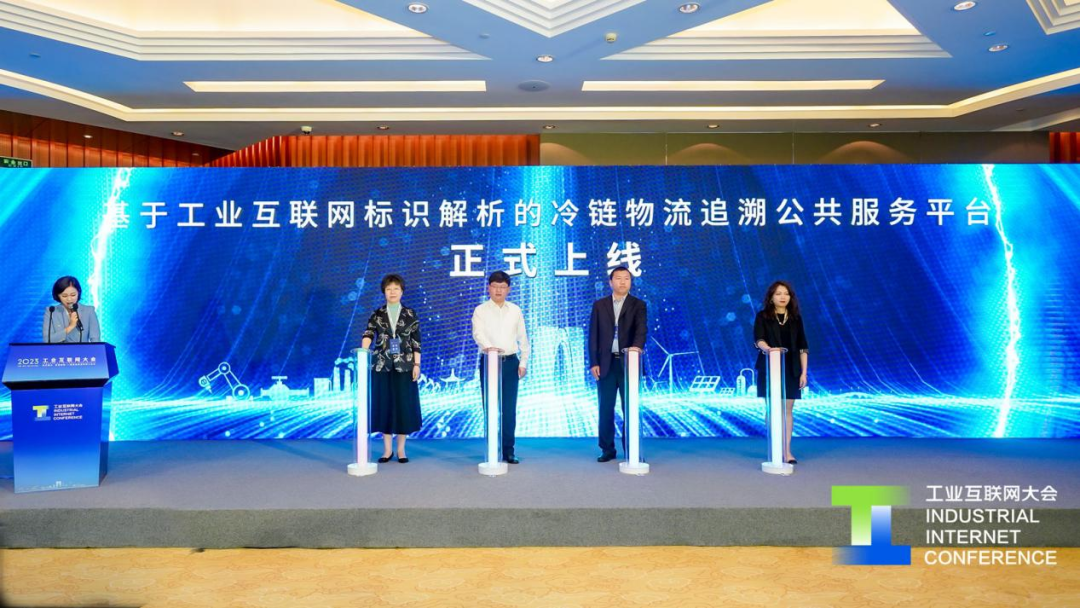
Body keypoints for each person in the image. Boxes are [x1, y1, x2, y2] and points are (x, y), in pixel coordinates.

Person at [361, 274, 422, 464]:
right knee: (384, 405)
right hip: (382, 365)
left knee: (404, 406)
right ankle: (387, 450)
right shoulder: (377, 314)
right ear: (384, 292)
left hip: (405, 365)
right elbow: (369, 333)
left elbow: (416, 342)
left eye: (396, 288)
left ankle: (401, 450)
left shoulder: (410, 314)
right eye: (389, 289)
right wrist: (363, 351)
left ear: (402, 291)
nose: (392, 292)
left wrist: (417, 364)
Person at [588, 266, 647, 462]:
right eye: (619, 278)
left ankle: (631, 450)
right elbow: (593, 336)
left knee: (630, 408)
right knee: (605, 408)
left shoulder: (638, 305)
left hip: (629, 363)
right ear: (610, 282)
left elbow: (641, 330)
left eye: (627, 278)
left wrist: (636, 349)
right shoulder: (600, 305)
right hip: (605, 364)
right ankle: (607, 449)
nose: (623, 282)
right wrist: (593, 362)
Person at [471, 271, 530, 464]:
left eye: (502, 287)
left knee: (509, 409)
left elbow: (523, 338)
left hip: (510, 363)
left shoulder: (515, 310)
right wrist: (491, 349)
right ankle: (492, 449)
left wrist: (523, 362)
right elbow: (478, 334)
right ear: (489, 288)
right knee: (490, 408)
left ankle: (508, 450)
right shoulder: (480, 310)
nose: (498, 290)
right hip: (489, 362)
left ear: (508, 289)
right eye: (495, 286)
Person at [753, 280, 809, 465]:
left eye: (786, 293)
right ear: (771, 298)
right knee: (772, 409)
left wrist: (804, 373)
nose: (783, 297)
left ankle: (786, 451)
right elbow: (758, 339)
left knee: (787, 410)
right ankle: (775, 446)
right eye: (778, 294)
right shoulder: (763, 316)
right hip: (769, 367)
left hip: (792, 368)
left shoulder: (796, 319)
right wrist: (770, 350)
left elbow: (803, 347)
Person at [43, 276, 100, 343]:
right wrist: (70, 327)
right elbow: (47, 340)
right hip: (59, 350)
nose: (69, 299)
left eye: (73, 295)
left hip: (82, 350)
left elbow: (95, 340)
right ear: (58, 295)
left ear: (78, 293)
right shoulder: (51, 312)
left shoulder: (88, 311)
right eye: (64, 296)